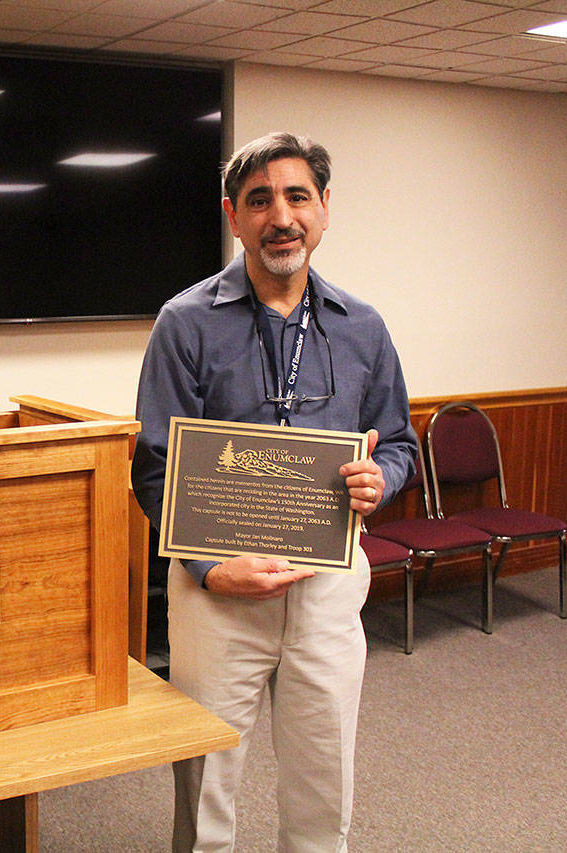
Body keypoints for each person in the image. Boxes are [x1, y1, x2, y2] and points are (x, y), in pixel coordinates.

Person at [131, 131, 417, 853]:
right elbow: (154, 463)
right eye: (259, 200)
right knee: (206, 786)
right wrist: (206, 567)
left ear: (324, 209)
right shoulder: (185, 322)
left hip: (325, 590)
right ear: (235, 216)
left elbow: (402, 444)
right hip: (217, 591)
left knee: (324, 782)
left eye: (296, 196)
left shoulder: (365, 328)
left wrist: (382, 480)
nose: (279, 216)